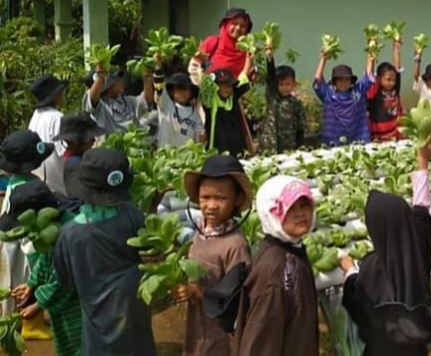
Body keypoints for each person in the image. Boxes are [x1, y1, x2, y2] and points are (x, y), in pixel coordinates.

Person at [340, 139, 431, 355]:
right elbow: (421, 210)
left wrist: (350, 269)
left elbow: (357, 299)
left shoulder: (372, 267)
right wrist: (422, 161)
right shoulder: (419, 247)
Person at [53, 148, 156, 356]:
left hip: (96, 314)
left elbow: (66, 281)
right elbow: (147, 253)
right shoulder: (132, 214)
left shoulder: (69, 234)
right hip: (134, 303)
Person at [172, 155, 252, 356]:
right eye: (205, 198)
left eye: (220, 198)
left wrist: (198, 291)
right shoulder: (202, 231)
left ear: (238, 199)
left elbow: (235, 301)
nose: (211, 205)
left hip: (220, 334)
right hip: (198, 322)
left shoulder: (236, 245)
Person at [234, 176, 319, 356]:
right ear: (271, 213)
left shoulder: (291, 251)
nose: (300, 213)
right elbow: (260, 340)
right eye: (290, 208)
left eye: (304, 205)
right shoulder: (277, 270)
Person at [6, 179, 82, 356]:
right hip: (65, 305)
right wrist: (31, 284)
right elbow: (45, 259)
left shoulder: (69, 234)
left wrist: (39, 304)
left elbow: (64, 281)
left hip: (78, 303)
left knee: (77, 342)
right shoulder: (51, 230)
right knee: (65, 340)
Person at [0, 131, 54, 316]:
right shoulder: (32, 188)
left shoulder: (13, 182)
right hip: (24, 246)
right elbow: (33, 244)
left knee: (10, 285)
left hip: (9, 242)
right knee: (23, 289)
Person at [313, 46, 375, 147]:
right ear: (334, 82)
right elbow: (317, 79)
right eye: (340, 80)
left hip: (358, 140)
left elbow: (369, 75)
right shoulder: (328, 94)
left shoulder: (358, 92)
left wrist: (371, 49)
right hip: (332, 141)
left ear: (351, 81)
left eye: (347, 80)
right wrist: (323, 58)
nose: (343, 83)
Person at [258, 47, 306, 154]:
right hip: (270, 146)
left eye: (287, 84)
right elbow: (270, 78)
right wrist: (270, 59)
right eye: (281, 84)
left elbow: (301, 127)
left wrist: (300, 146)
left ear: (293, 84)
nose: (284, 87)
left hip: (289, 147)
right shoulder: (273, 97)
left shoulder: (296, 103)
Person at [83, 67, 154, 135]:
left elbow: (146, 101)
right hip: (109, 146)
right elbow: (92, 98)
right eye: (117, 78)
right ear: (109, 83)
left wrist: (147, 80)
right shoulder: (100, 107)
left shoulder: (127, 101)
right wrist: (101, 77)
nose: (121, 80)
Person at [189, 8, 254, 83]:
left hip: (235, 93)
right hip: (209, 91)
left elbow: (244, 81)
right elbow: (195, 68)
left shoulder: (247, 53)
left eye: (242, 26)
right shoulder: (212, 42)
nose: (238, 28)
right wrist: (205, 63)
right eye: (234, 23)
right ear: (226, 24)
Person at [203, 62, 254, 157]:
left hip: (237, 149)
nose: (228, 88)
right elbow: (206, 85)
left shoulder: (233, 96)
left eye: (229, 85)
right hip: (217, 151)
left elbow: (244, 77)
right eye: (223, 85)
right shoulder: (210, 100)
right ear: (216, 86)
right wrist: (205, 63)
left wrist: (249, 59)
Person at [28, 74, 68, 193]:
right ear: (55, 96)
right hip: (57, 184)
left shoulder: (36, 116)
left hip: (39, 182)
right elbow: (65, 152)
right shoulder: (57, 118)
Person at [55, 113, 104, 201]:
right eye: (90, 138)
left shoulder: (64, 158)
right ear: (76, 142)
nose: (93, 140)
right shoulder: (75, 164)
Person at [366, 38, 404, 142]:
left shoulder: (395, 89)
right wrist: (372, 49)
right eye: (388, 79)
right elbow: (369, 74)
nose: (391, 82)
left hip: (394, 135)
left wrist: (396, 47)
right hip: (377, 138)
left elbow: (398, 68)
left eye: (393, 80)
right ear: (378, 78)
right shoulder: (374, 90)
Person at [155, 72, 205, 148]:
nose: (183, 92)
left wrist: (202, 137)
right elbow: (159, 85)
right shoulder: (165, 105)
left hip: (186, 158)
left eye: (186, 89)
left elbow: (200, 134)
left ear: (191, 92)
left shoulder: (194, 113)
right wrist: (158, 66)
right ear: (172, 91)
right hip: (166, 155)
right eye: (179, 89)